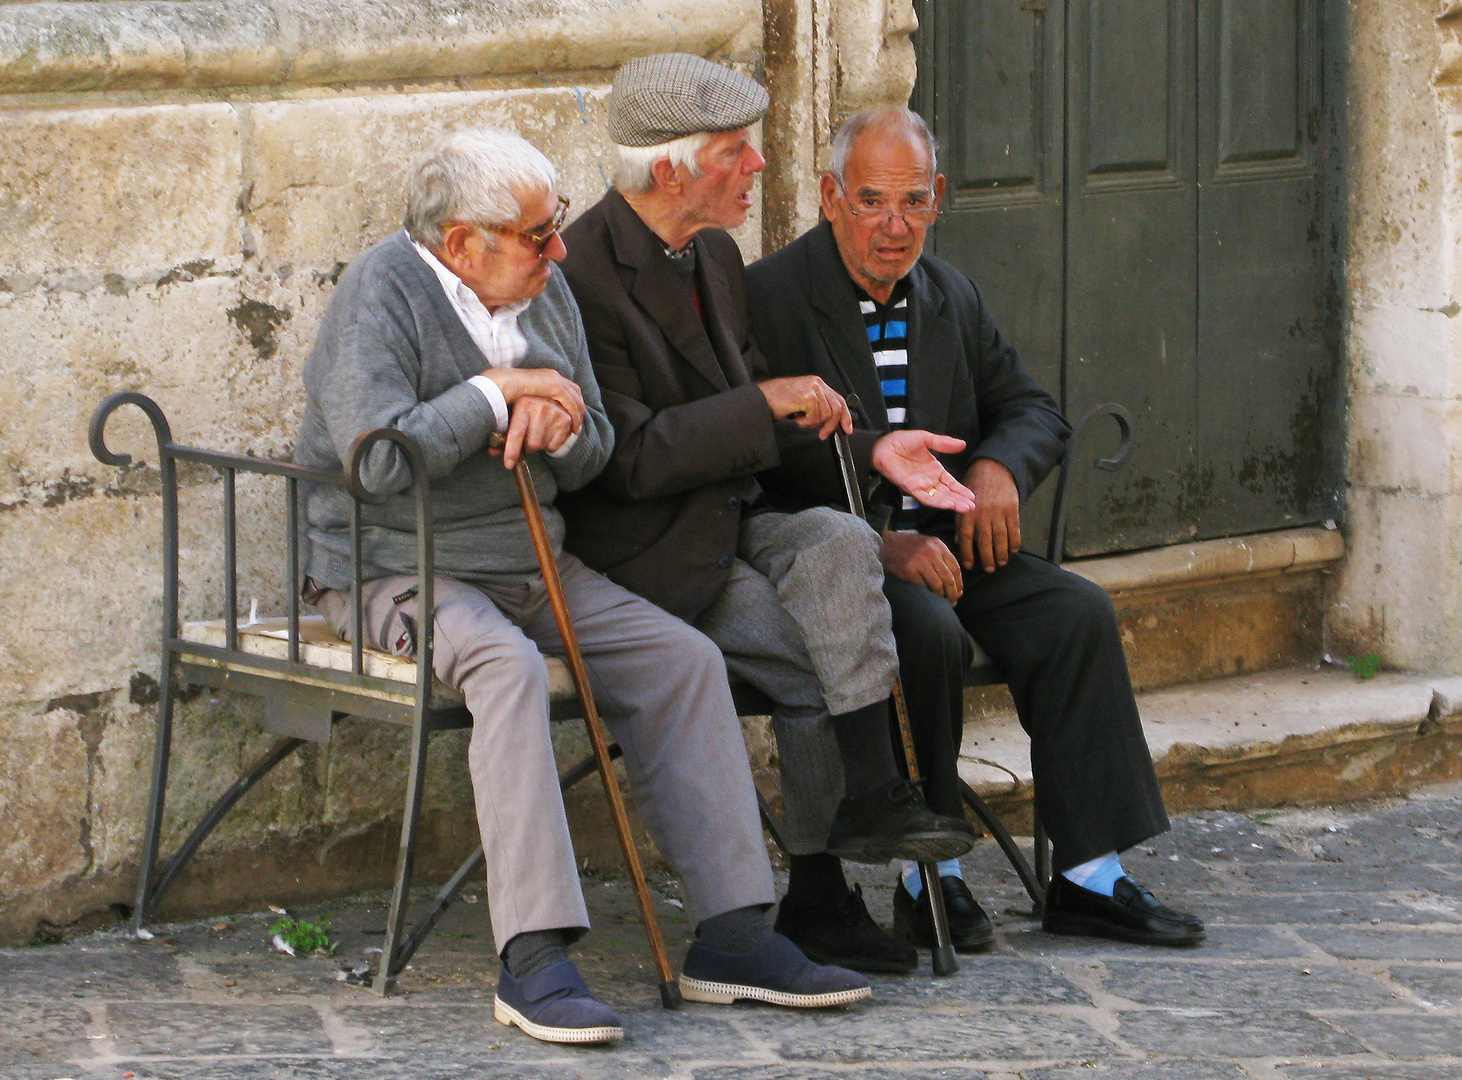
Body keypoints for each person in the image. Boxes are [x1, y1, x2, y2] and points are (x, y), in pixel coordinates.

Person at [293, 126, 873, 1047]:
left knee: (683, 659)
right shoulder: (382, 293)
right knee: (506, 669)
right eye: (536, 235)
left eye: (556, 227)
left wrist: (561, 423)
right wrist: (494, 393)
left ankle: (731, 934)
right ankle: (534, 956)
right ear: (461, 245)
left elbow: (599, 443)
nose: (559, 251)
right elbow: (375, 461)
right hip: (398, 564)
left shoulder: (548, 290)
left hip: (535, 558)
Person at [558, 53, 981, 976]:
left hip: (733, 514)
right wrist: (766, 404)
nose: (756, 167)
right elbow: (629, 459)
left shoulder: (711, 252)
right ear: (673, 169)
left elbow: (763, 414)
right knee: (812, 656)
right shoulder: (583, 273)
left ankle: (871, 800)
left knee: (838, 537)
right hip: (651, 550)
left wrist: (869, 446)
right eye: (735, 152)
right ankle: (822, 887)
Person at [745, 107, 1205, 949]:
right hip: (851, 560)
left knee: (1075, 613)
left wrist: (998, 467)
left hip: (959, 545)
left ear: (939, 198)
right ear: (829, 198)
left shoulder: (949, 295)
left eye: (914, 202)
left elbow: (1030, 406)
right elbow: (757, 455)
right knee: (925, 628)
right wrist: (878, 533)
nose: (894, 226)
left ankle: (1087, 876)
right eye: (872, 200)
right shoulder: (771, 297)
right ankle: (938, 876)